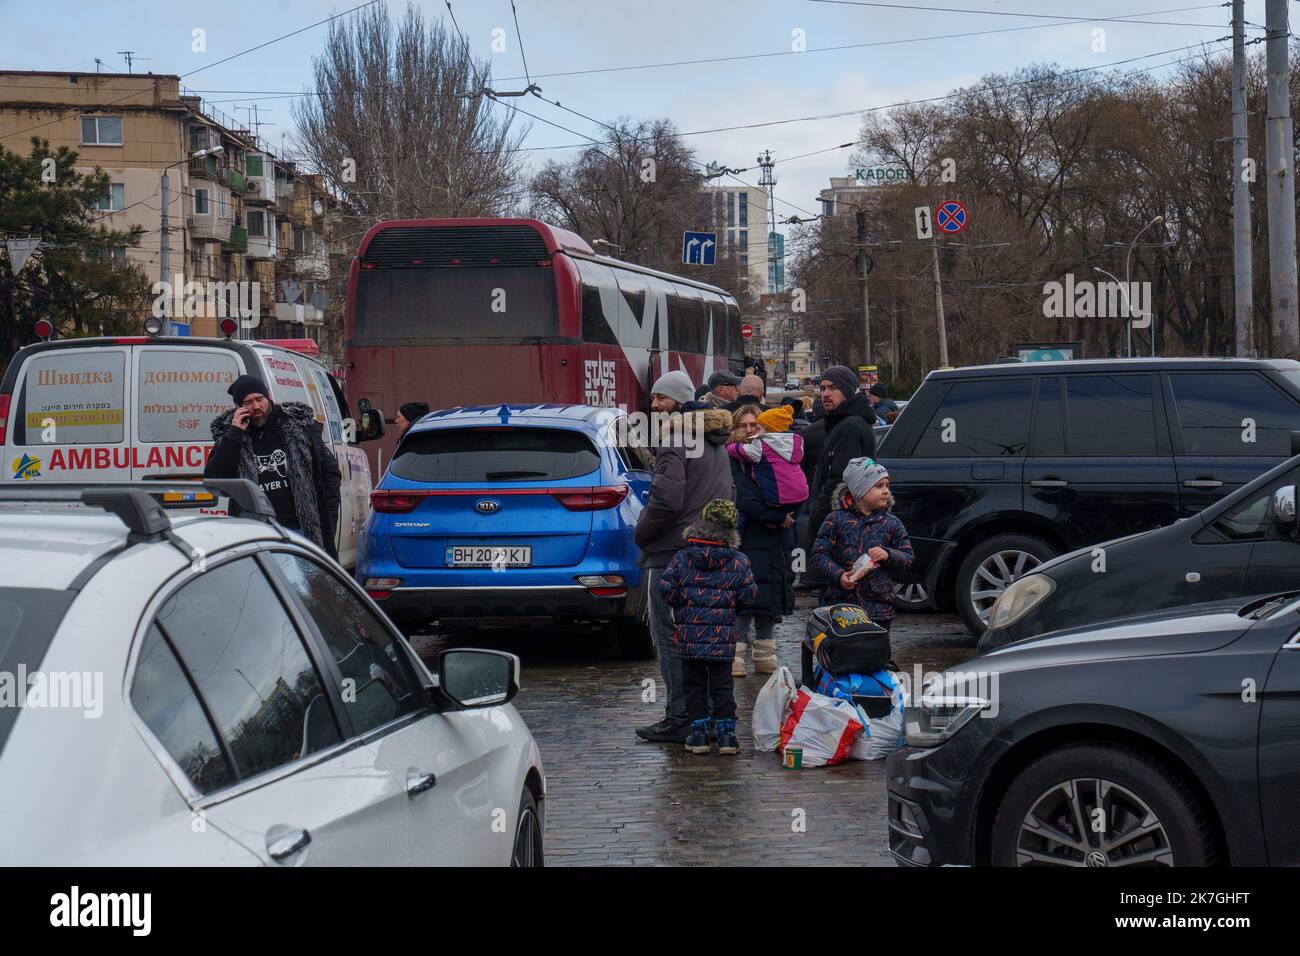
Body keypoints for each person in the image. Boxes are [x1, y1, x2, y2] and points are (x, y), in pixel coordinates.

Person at [635, 370, 735, 744]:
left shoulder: (674, 437)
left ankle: (681, 717)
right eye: (654, 399)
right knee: (703, 639)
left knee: (670, 638)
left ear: (679, 401)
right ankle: (705, 716)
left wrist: (642, 533)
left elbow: (665, 499)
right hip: (710, 552)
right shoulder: (713, 439)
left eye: (662, 399)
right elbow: (730, 495)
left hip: (671, 553)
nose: (655, 405)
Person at [206, 374, 342, 559]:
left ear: (268, 396)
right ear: (239, 407)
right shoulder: (232, 435)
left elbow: (330, 473)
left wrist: (327, 518)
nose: (256, 406)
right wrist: (235, 433)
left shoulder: (298, 427)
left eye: (259, 399)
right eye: (247, 402)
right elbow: (215, 480)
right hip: (256, 534)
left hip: (299, 531)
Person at [658, 499, 756, 755]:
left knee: (695, 687)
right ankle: (727, 737)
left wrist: (683, 603)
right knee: (723, 687)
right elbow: (748, 596)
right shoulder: (738, 561)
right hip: (722, 640)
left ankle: (699, 736)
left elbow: (666, 590)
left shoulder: (682, 558)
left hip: (690, 638)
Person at [727, 405, 805, 678]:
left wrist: (787, 517)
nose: (749, 431)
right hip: (750, 536)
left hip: (776, 538)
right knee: (744, 600)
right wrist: (776, 517)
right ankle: (736, 657)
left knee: (768, 597)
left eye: (754, 426)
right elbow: (746, 499)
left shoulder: (774, 454)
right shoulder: (736, 460)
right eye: (744, 426)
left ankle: (765, 657)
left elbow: (797, 487)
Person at [811, 457, 913, 630]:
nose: (885, 491)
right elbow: (819, 555)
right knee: (845, 653)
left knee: (877, 654)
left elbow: (908, 557)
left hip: (880, 608)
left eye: (887, 486)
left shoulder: (892, 523)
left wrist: (888, 555)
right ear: (860, 490)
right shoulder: (835, 520)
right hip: (842, 607)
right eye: (879, 486)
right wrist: (839, 575)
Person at [802, 365, 877, 591]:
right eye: (823, 388)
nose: (825, 393)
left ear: (846, 390)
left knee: (838, 599)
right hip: (842, 526)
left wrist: (820, 517)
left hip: (840, 529)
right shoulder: (842, 422)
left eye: (832, 388)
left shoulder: (850, 426)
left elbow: (840, 480)